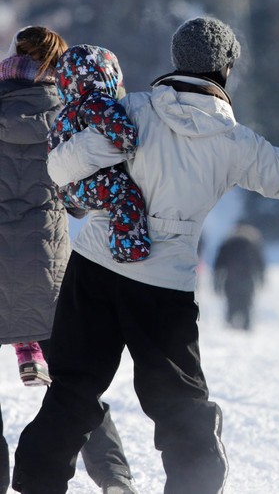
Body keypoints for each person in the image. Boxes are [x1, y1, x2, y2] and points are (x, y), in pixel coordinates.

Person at [11, 17, 279, 494]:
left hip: (93, 268)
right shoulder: (235, 143)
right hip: (162, 287)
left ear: (176, 60)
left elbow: (60, 167)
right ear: (227, 69)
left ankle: (36, 485)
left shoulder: (129, 109)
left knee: (72, 389)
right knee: (177, 401)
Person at [1, 26, 137, 494]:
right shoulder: (65, 119)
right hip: (47, 267)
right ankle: (115, 478)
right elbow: (79, 202)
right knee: (74, 383)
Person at [48, 44, 150, 263]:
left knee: (116, 196)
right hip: (91, 182)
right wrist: (128, 139)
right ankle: (129, 248)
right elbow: (112, 123)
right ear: (108, 74)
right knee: (125, 194)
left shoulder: (64, 114)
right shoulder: (95, 101)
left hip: (70, 190)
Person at [212, 223, 267, 330]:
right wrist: (261, 279)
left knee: (231, 305)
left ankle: (229, 329)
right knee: (246, 305)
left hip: (231, 281)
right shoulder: (252, 243)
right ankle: (246, 329)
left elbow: (218, 265)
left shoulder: (228, 243)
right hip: (247, 281)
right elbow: (260, 264)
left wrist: (216, 283)